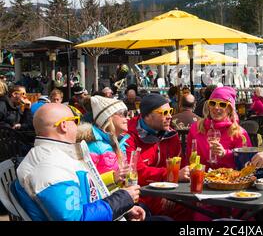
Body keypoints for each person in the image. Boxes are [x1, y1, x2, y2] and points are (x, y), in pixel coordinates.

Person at [12, 103, 145, 221]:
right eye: (75, 120)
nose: (78, 125)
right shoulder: (50, 166)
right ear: (64, 126)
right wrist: (123, 199)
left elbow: (87, 191)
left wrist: (123, 208)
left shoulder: (58, 156)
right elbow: (76, 218)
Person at [126, 93, 191, 220]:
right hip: (141, 195)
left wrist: (174, 193)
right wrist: (171, 174)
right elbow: (137, 171)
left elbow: (181, 165)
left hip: (168, 191)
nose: (170, 116)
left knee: (192, 206)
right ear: (148, 116)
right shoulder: (129, 136)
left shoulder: (171, 135)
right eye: (164, 112)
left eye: (170, 111)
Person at [186, 86, 251, 170]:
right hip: (200, 179)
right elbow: (188, 159)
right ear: (208, 106)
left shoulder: (240, 133)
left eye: (222, 104)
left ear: (230, 109)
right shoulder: (195, 128)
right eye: (212, 103)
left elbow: (246, 164)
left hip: (229, 180)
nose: (216, 107)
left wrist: (225, 154)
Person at [76, 95, 131, 190]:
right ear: (108, 116)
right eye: (124, 114)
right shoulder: (93, 145)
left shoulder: (121, 143)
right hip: (104, 203)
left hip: (119, 200)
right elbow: (86, 184)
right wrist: (113, 178)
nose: (128, 118)